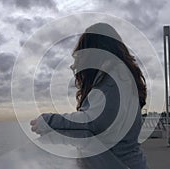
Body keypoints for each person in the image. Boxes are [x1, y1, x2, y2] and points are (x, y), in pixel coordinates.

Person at [30, 22, 148, 169]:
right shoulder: (120, 76)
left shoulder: (114, 77)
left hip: (119, 163)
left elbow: (96, 121)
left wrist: (49, 121)